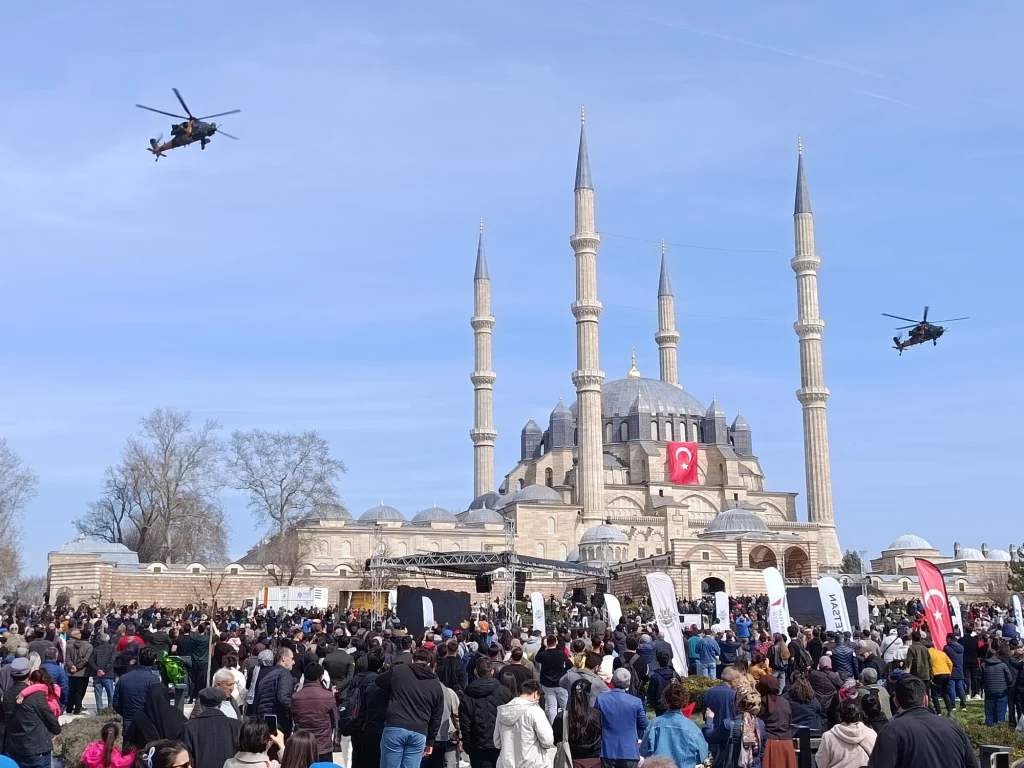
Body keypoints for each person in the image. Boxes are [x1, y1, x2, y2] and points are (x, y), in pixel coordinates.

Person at [865, 675, 977, 768]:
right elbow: (972, 764)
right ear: (926, 700)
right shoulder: (952, 727)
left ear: (896, 702)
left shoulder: (891, 731)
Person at [376, 647, 444, 768]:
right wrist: (430, 741)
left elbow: (379, 681)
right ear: (429, 663)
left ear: (413, 660)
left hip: (395, 725)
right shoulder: (436, 684)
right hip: (420, 731)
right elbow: (437, 716)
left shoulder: (399, 671)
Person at [0, 657, 62, 768]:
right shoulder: (37, 695)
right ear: (29, 674)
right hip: (37, 751)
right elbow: (51, 721)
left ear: (11, 675)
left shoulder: (7, 696)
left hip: (13, 750)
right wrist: (55, 730)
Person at [639, 680, 708, 768]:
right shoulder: (692, 728)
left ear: (665, 701)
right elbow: (702, 755)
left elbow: (644, 752)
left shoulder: (654, 725)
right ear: (685, 701)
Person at [460, 657, 514, 768]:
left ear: (475, 672)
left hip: (479, 745)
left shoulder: (467, 696)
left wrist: (467, 745)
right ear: (492, 672)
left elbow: (465, 724)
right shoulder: (504, 692)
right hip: (500, 742)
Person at [493, 679, 555, 768]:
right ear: (535, 693)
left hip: (506, 763)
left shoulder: (503, 711)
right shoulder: (535, 711)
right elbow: (548, 740)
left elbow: (497, 742)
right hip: (532, 763)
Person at [594, 668, 648, 768]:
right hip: (629, 751)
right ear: (628, 684)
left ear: (613, 681)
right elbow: (644, 724)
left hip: (608, 750)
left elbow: (595, 722)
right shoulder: (636, 702)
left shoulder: (601, 699)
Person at [702, 687, 765, 768]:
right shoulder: (760, 724)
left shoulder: (729, 724)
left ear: (738, 702)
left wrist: (709, 719)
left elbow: (709, 737)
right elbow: (761, 751)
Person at [179, 687, 241, 768]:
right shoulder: (236, 725)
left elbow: (187, 756)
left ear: (201, 704)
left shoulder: (189, 726)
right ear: (220, 704)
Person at [291, 663, 338, 763]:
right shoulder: (328, 696)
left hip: (303, 745)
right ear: (321, 676)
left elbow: (293, 718)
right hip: (323, 746)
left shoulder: (296, 697)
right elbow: (335, 721)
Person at [124, 683, 188, 753]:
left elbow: (129, 742)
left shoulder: (140, 716)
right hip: (172, 759)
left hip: (148, 759)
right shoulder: (177, 715)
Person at [552, 679, 602, 768]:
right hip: (594, 762)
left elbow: (555, 740)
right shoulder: (596, 715)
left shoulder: (562, 717)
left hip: (570, 761)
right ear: (589, 695)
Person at [813, 698, 876, 768]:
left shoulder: (829, 736)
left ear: (839, 715)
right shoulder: (871, 733)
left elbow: (820, 763)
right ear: (859, 714)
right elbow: (877, 759)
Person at [113, 646, 162, 734]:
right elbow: (156, 703)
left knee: (128, 746)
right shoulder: (154, 679)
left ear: (138, 658)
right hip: (146, 722)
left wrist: (126, 714)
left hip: (128, 720)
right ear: (154, 661)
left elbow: (116, 703)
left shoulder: (124, 678)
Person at [253, 647, 296, 736]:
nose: (293, 662)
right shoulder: (284, 674)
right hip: (280, 723)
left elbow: (257, 703)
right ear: (284, 658)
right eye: (292, 659)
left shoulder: (265, 678)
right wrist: (296, 710)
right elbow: (283, 698)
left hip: (264, 723)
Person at [756, 675, 796, 768]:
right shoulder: (785, 702)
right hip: (786, 743)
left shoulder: (760, 703)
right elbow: (789, 722)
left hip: (768, 743)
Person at [536, 635, 573, 724]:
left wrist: (543, 646)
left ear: (547, 643)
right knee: (565, 706)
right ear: (556, 642)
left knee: (551, 707)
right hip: (560, 683)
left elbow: (537, 658)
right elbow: (570, 665)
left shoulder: (544, 655)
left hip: (547, 684)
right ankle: (566, 724)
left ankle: (552, 726)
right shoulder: (561, 654)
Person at [982, 646, 1014, 726]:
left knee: (989, 713)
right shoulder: (1002, 665)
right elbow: (1009, 678)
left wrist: (985, 685)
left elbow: (979, 678)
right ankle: (1000, 729)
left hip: (989, 691)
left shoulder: (983, 665)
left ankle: (989, 728)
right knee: (1001, 712)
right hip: (1002, 691)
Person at [65, 628, 93, 715]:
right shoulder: (89, 646)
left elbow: (67, 657)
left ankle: (69, 708)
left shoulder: (70, 645)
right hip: (82, 672)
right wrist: (77, 667)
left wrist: (71, 666)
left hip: (71, 672)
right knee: (80, 692)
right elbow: (86, 660)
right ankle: (77, 709)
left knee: (71, 690)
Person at [89, 634, 117, 714]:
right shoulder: (112, 649)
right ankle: (110, 710)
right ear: (108, 640)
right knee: (110, 694)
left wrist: (98, 670)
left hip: (97, 675)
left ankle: (100, 711)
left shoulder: (95, 649)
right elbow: (112, 661)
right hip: (108, 675)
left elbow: (91, 661)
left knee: (98, 695)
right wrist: (104, 670)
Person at [928, 639, 954, 716]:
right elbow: (950, 663)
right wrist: (949, 672)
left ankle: (938, 712)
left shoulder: (928, 653)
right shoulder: (941, 653)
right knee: (945, 692)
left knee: (934, 694)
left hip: (937, 674)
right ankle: (949, 710)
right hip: (946, 673)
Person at [647, 651, 675, 717]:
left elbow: (651, 692)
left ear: (658, 662)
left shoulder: (655, 676)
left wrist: (652, 702)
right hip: (671, 703)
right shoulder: (674, 674)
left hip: (659, 705)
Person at [944, 633, 967, 711]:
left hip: (951, 670)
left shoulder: (947, 648)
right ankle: (963, 705)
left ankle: (953, 705)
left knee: (951, 688)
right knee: (960, 688)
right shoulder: (961, 648)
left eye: (946, 638)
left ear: (949, 639)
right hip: (960, 669)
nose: (945, 640)